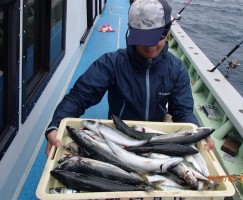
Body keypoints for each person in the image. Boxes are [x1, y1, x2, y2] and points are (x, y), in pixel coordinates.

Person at [45, 0, 214, 156]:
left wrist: (200, 133)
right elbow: (79, 97)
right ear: (131, 31)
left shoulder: (176, 69)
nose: (150, 45)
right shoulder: (111, 63)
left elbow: (183, 112)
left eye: (158, 36)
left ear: (168, 31)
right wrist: (57, 125)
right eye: (144, 37)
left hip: (156, 137)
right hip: (119, 136)